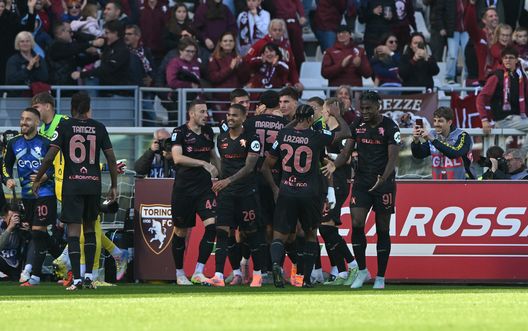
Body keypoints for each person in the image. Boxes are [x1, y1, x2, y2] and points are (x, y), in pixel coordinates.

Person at [32, 92, 118, 291]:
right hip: (93, 184)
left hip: (72, 185)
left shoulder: (64, 126)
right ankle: (89, 277)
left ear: (72, 108)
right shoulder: (99, 127)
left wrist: (38, 179)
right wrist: (114, 185)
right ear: (89, 108)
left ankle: (77, 280)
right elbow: (112, 159)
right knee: (90, 231)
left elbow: (49, 156)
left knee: (73, 233)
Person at [262, 103, 351, 288]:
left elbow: (266, 165)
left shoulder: (284, 134)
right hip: (309, 193)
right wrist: (337, 115)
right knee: (310, 234)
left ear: (296, 117)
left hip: (286, 191)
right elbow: (346, 133)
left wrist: (274, 188)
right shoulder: (316, 136)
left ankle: (277, 265)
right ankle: (307, 279)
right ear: (311, 119)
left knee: (279, 236)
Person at [323, 91, 401, 289]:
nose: (364, 112)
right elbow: (347, 150)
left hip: (384, 184)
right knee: (357, 224)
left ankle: (381, 277)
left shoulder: (390, 126)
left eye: (368, 108)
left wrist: (383, 178)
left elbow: (393, 158)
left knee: (383, 229)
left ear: (378, 107)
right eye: (362, 108)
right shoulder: (357, 124)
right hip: (361, 182)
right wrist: (335, 165)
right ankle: (363, 271)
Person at [210, 103, 265, 287]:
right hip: (227, 194)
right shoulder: (222, 138)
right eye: (228, 115)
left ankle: (257, 274)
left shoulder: (252, 138)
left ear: (243, 118)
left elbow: (249, 167)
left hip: (246, 192)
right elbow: (223, 162)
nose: (230, 118)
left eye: (234, 115)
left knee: (251, 233)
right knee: (223, 231)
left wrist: (227, 181)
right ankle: (220, 274)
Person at [2, 107, 56, 286]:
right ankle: (53, 263)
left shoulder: (46, 142)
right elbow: (5, 166)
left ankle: (28, 270)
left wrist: (45, 176)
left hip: (45, 192)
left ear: (37, 123)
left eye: (28, 119)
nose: (24, 122)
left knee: (37, 231)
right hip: (26, 196)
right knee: (36, 233)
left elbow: (55, 167)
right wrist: (8, 179)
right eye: (22, 118)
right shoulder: (13, 143)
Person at [170, 99, 220, 286]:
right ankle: (180, 273)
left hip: (204, 189)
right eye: (201, 112)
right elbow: (177, 157)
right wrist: (203, 163)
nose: (206, 115)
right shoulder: (179, 132)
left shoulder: (208, 132)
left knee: (212, 226)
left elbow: (213, 156)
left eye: (206, 111)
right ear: (191, 114)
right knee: (181, 232)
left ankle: (198, 271)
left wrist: (220, 174)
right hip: (183, 190)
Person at [319, 98, 359, 286]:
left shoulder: (342, 133)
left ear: (329, 112)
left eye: (324, 110)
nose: (322, 113)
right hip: (327, 183)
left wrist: (328, 158)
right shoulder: (326, 133)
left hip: (339, 183)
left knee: (326, 227)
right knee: (327, 229)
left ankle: (353, 266)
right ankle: (342, 272)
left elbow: (349, 159)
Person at [411, 107, 474, 180]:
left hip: (463, 184)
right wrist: (416, 141)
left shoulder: (462, 135)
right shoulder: (433, 135)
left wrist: (433, 140)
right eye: (435, 121)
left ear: (449, 122)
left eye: (440, 121)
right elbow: (419, 154)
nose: (436, 124)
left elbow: (455, 153)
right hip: (438, 184)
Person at [476, 46, 528, 135]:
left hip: (518, 118)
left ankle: (523, 149)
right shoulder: (496, 76)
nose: (508, 60)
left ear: (516, 60)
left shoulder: (521, 76)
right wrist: (484, 120)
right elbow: (480, 98)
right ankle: (524, 150)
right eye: (505, 58)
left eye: (511, 58)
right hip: (503, 120)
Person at [71, 20, 131, 95]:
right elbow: (92, 38)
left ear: (115, 33)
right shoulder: (109, 45)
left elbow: (106, 69)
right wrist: (74, 34)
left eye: (107, 33)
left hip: (117, 94)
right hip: (106, 92)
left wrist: (82, 74)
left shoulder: (121, 50)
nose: (105, 35)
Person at [244, 19, 303, 90]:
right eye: (274, 30)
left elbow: (292, 67)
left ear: (283, 31)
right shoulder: (260, 44)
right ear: (269, 30)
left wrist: (296, 82)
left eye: (280, 30)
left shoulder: (286, 46)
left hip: (281, 84)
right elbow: (247, 61)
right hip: (261, 84)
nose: (277, 32)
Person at [47, 22, 103, 86]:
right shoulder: (55, 47)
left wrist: (98, 56)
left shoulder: (68, 48)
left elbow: (79, 61)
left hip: (70, 85)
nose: (71, 34)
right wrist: (91, 43)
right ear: (59, 34)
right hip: (60, 87)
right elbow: (74, 48)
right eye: (67, 31)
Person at [464, 1, 499, 84]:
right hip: (482, 79)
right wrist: (471, 5)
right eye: (491, 16)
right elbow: (469, 24)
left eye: (496, 15)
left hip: (497, 78)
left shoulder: (502, 36)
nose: (494, 18)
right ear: (484, 20)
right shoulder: (480, 35)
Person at [0, 203, 30, 281]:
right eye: (12, 217)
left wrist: (27, 232)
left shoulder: (21, 227)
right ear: (4, 218)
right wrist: (9, 228)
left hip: (15, 263)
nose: (15, 220)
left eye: (17, 217)